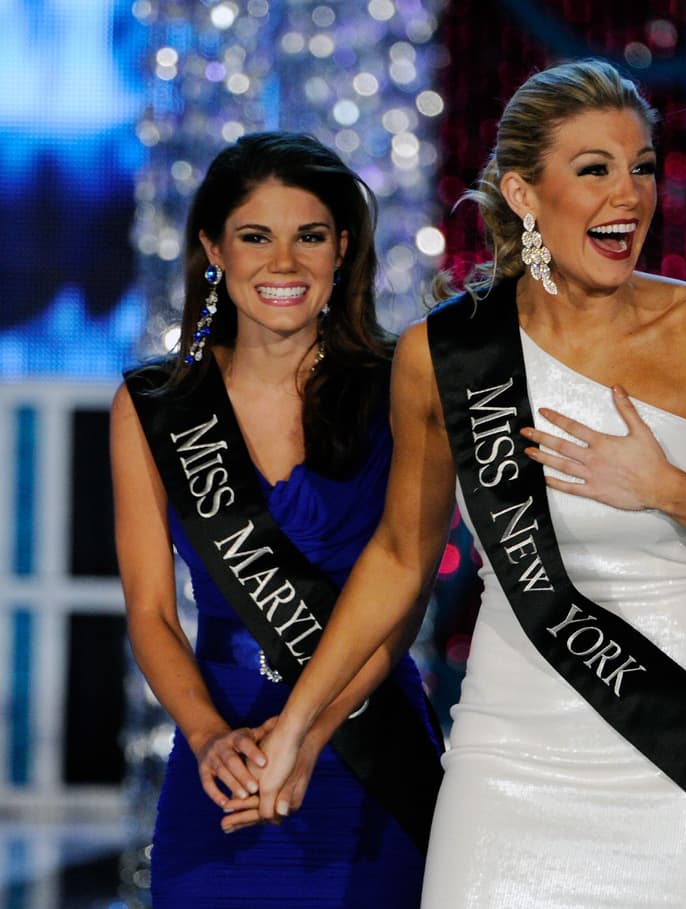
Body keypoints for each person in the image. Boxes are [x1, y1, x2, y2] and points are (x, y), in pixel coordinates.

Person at [251, 60, 686, 907]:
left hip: (668, 740)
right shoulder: (446, 354)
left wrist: (667, 488)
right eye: (595, 169)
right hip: (505, 750)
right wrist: (298, 725)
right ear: (524, 194)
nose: (629, 194)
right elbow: (398, 559)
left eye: (643, 167)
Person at [110, 131, 443, 908]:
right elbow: (151, 611)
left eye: (310, 237)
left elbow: (403, 599)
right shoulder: (156, 407)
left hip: (367, 749)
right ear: (213, 249)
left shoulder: (402, 386)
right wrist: (206, 736)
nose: (284, 263)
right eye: (256, 237)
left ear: (343, 249)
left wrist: (307, 732)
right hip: (221, 764)